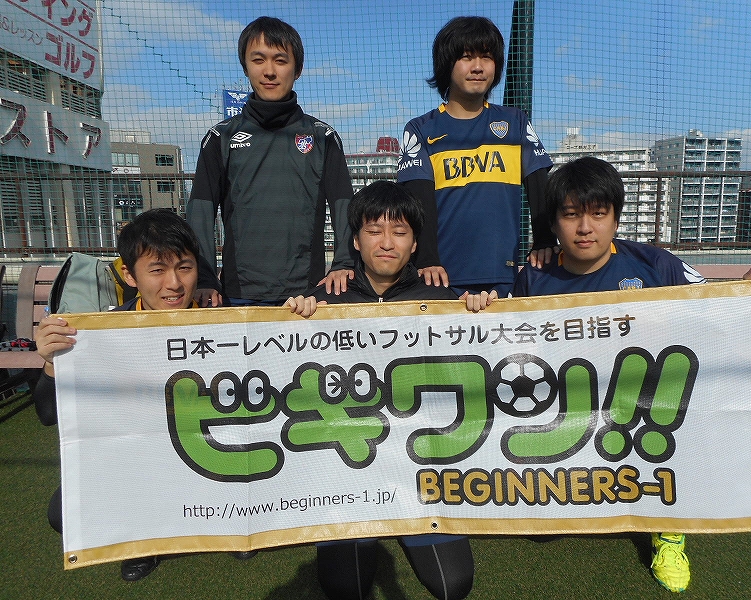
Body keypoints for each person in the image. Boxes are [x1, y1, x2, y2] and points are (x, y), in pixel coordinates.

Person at [510, 156, 751, 593]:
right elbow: (511, 348)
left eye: (598, 214)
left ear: (616, 218)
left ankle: (670, 529)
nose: (584, 228)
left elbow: (718, 309)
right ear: (553, 223)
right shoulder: (535, 277)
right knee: (544, 524)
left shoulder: (656, 265)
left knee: (684, 404)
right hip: (574, 405)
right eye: (570, 215)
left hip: (645, 404)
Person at [286, 180, 491, 600]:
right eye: (374, 231)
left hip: (422, 466)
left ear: (414, 244)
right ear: (355, 241)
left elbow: (477, 365)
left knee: (453, 584)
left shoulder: (440, 297)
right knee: (344, 587)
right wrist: (293, 318)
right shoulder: (324, 299)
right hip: (348, 466)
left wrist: (480, 315)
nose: (386, 242)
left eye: (399, 232)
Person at [32, 209, 256, 581]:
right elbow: (47, 414)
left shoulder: (227, 326)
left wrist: (301, 318)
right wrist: (52, 362)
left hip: (210, 449)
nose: (174, 284)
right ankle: (143, 543)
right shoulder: (102, 334)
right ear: (129, 275)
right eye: (157, 270)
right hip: (139, 458)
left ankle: (232, 520)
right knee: (63, 513)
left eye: (184, 268)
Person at [186, 16, 355, 308]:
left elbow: (344, 206)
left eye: (280, 60)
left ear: (297, 69)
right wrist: (205, 278)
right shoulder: (220, 138)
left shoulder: (322, 136)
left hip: (307, 296)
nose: (269, 71)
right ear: (245, 66)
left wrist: (343, 263)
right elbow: (201, 212)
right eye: (258, 60)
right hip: (238, 294)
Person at [397, 16, 555, 298]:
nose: (478, 67)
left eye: (487, 57)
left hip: (504, 277)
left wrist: (544, 239)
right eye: (467, 57)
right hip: (440, 278)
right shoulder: (421, 129)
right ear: (446, 64)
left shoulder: (515, 122)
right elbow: (417, 202)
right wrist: (427, 259)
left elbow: (539, 183)